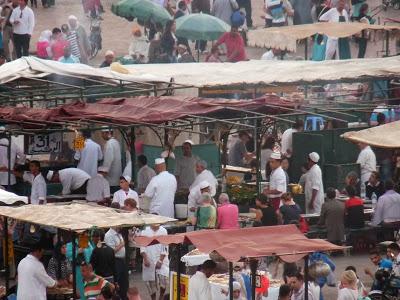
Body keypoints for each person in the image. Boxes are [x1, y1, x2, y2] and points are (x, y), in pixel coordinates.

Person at [140, 224, 169, 300]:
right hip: (149, 259)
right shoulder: (144, 232)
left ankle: (161, 297)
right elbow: (142, 247)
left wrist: (160, 260)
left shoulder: (163, 231)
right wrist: (145, 259)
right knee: (150, 282)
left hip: (162, 259)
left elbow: (165, 247)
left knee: (164, 279)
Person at [104, 227, 128, 300]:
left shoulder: (119, 234)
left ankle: (124, 297)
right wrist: (121, 244)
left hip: (122, 260)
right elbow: (111, 252)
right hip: (115, 260)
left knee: (124, 282)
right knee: (117, 282)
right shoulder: (108, 235)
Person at [101, 127, 122, 191]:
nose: (101, 135)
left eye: (102, 133)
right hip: (117, 178)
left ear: (107, 133)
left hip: (111, 181)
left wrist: (103, 174)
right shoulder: (116, 142)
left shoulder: (109, 144)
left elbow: (108, 161)